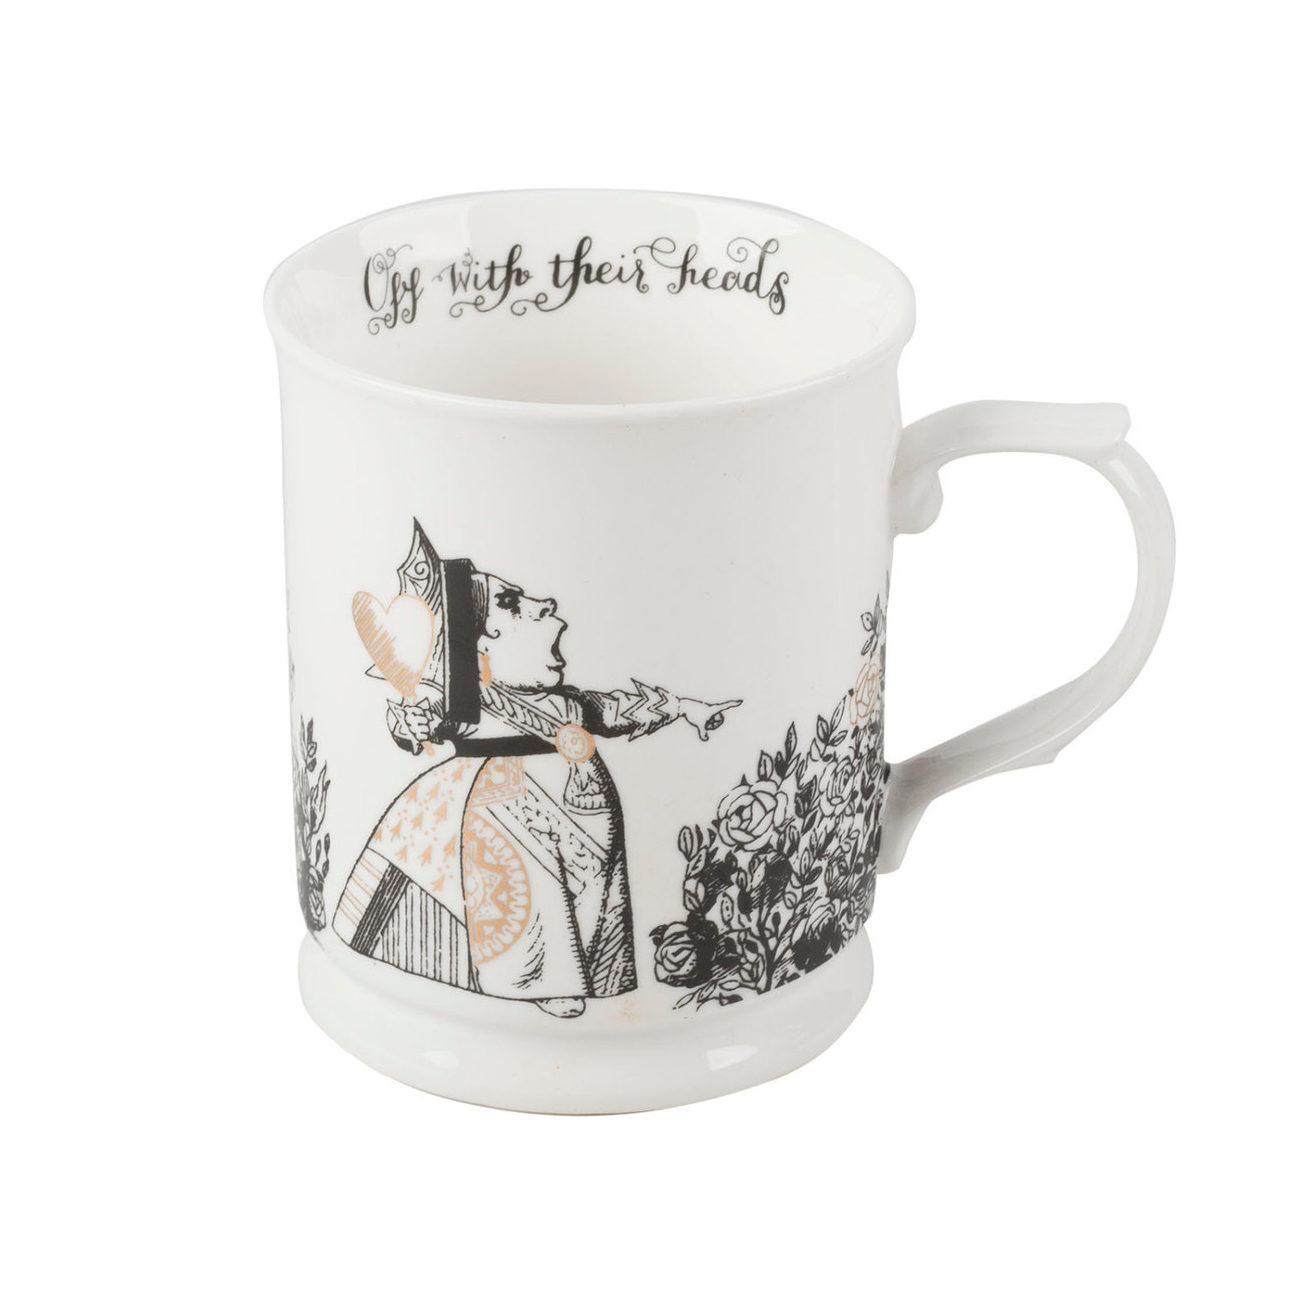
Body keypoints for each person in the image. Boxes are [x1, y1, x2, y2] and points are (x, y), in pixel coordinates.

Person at [332, 520, 740, 1018]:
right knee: (527, 895)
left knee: (592, 900)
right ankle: (536, 982)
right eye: (511, 603)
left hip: (581, 808)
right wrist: (412, 720)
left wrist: (685, 708)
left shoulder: (569, 703)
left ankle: (591, 976)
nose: (544, 605)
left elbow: (619, 709)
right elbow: (418, 720)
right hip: (503, 804)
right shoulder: (470, 702)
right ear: (481, 644)